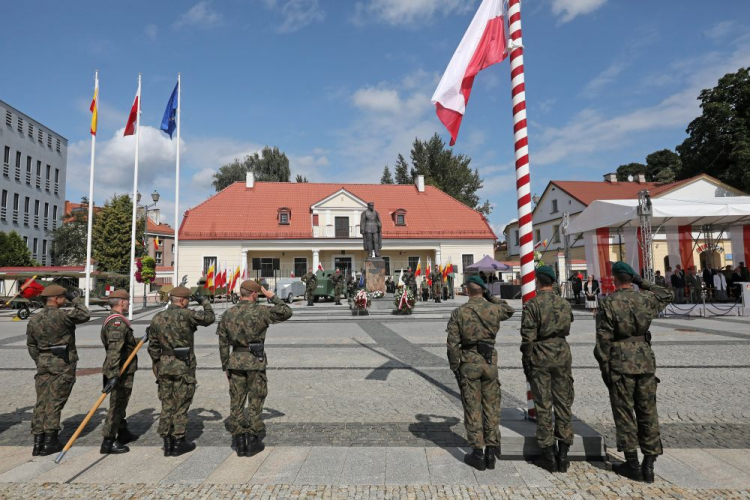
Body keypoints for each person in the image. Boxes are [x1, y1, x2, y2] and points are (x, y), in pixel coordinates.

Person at [594, 262, 672, 483]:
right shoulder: (646, 299)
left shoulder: (609, 303)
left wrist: (605, 369)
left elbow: (603, 342)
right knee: (648, 411)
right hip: (645, 361)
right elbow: (666, 294)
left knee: (625, 412)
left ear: (614, 278)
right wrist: (641, 281)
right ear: (631, 278)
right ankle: (649, 464)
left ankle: (632, 463)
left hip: (620, 363)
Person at [217, 280, 292, 457]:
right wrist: (273, 297)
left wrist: (225, 366)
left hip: (235, 361)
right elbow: (286, 312)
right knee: (256, 399)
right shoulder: (261, 311)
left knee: (236, 400)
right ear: (253, 294)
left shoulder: (228, 314)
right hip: (255, 361)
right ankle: (252, 439)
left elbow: (222, 343)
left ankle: (239, 440)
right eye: (257, 294)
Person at [447, 276, 515, 471]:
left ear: (467, 291)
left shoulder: (459, 312)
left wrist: (455, 367)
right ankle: (491, 452)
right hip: (489, 363)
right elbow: (509, 309)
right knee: (492, 407)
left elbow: (452, 344)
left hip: (469, 363)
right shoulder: (494, 309)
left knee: (472, 407)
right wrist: (490, 297)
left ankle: (478, 453)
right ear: (482, 291)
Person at [148, 286, 215, 457]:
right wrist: (204, 301)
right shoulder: (187, 315)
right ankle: (178, 441)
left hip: (164, 364)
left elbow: (153, 346)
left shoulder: (157, 317)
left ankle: (167, 441)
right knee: (182, 403)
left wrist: (157, 363)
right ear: (183, 301)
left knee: (167, 403)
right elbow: (209, 318)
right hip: (183, 365)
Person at [520, 266, 574, 473]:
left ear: (537, 281)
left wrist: (527, 359)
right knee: (563, 402)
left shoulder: (533, 304)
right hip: (561, 352)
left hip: (540, 354)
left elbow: (528, 338)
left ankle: (548, 455)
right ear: (553, 281)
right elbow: (568, 325)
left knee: (543, 404)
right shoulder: (564, 303)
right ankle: (563, 454)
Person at [26, 285, 90, 456]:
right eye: (63, 297)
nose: (65, 299)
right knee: (55, 402)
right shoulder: (63, 316)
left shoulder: (35, 319)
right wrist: (75, 298)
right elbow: (85, 314)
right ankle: (50, 441)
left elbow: (31, 345)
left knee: (41, 401)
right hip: (62, 363)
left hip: (43, 362)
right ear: (55, 298)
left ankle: (38, 442)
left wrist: (39, 360)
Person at [100, 290, 138, 455]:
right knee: (116, 405)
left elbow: (124, 344)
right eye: (127, 301)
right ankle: (108, 441)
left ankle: (122, 432)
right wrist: (114, 375)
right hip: (119, 370)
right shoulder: (117, 323)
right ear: (121, 302)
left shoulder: (114, 320)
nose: (128, 303)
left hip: (118, 368)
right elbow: (114, 351)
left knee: (121, 402)